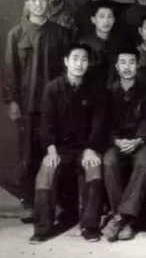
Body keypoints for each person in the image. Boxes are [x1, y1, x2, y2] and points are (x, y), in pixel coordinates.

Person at [4, 0, 70, 221]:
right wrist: (12, 100)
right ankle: (33, 204)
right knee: (29, 155)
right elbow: (10, 69)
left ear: (48, 3)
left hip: (55, 104)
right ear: (27, 3)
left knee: (55, 151)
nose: (39, 3)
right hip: (28, 103)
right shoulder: (16, 33)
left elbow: (67, 70)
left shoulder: (61, 33)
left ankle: (59, 204)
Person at [30, 44, 105, 243]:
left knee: (94, 168)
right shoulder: (52, 88)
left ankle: (90, 226)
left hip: (85, 148)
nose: (79, 64)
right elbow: (46, 123)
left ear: (88, 63)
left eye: (84, 59)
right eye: (75, 59)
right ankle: (42, 228)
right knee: (46, 170)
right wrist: (51, 150)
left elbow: (98, 124)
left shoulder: (95, 89)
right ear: (66, 61)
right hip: (59, 148)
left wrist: (90, 149)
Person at [101, 48, 146, 242]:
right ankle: (123, 218)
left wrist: (138, 140)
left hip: (141, 141)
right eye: (123, 62)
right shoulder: (108, 92)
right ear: (116, 66)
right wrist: (116, 140)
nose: (127, 67)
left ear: (137, 65)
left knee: (143, 163)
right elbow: (105, 122)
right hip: (117, 142)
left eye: (131, 62)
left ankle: (120, 218)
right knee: (109, 162)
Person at [79, 0, 124, 86]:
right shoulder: (83, 44)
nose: (106, 21)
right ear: (93, 19)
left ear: (114, 20)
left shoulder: (121, 44)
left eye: (110, 17)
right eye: (102, 17)